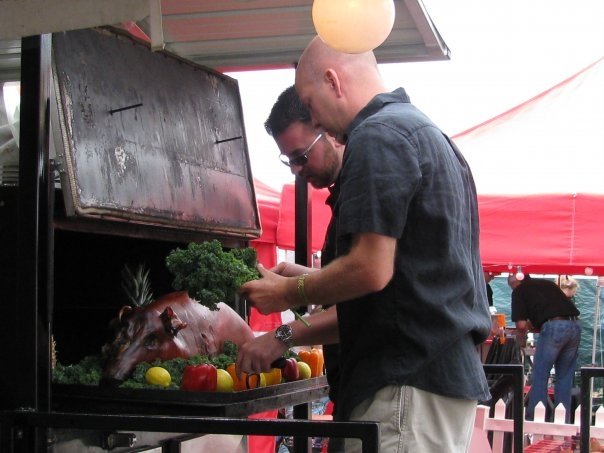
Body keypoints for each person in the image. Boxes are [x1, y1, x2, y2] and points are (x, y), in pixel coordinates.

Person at [238, 36, 491, 453]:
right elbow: (400, 286)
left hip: (405, 382)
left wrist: (288, 293)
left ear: (332, 81)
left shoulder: (376, 135)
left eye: (310, 104)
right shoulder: (428, 134)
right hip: (430, 380)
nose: (315, 119)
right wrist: (308, 279)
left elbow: (372, 270)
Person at [243, 85, 346, 452]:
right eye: (289, 161)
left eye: (301, 156)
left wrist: (281, 334)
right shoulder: (344, 192)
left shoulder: (368, 179)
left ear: (326, 128)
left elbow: (363, 303)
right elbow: (353, 286)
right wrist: (303, 275)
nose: (298, 170)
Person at [508, 273, 581, 422]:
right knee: (565, 377)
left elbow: (521, 326)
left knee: (540, 375)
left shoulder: (519, 291)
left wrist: (522, 334)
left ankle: (535, 418)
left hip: (554, 327)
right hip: (575, 325)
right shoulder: (547, 284)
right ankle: (562, 420)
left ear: (514, 282)